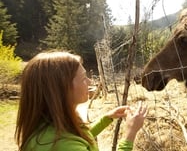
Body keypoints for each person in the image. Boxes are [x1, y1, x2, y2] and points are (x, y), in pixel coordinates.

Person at [15, 51, 147, 151]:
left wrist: (107, 118)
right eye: (84, 78)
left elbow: (80, 139)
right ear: (62, 87)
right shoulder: (63, 146)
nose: (90, 82)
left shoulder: (48, 128)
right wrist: (130, 133)